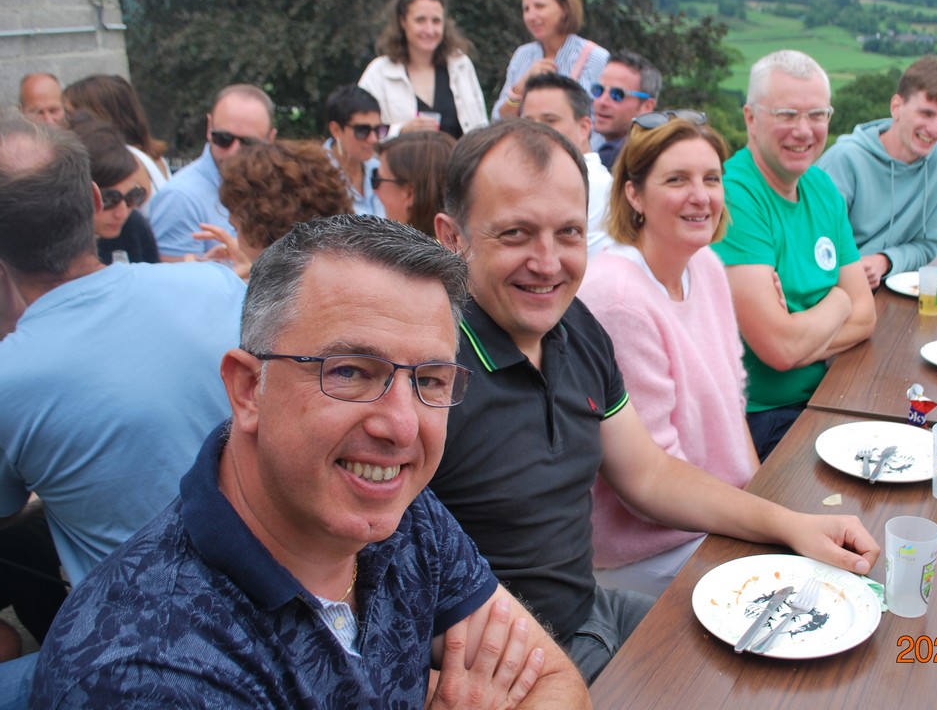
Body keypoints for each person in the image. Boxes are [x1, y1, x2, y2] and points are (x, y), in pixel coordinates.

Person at [31, 215, 588, 707]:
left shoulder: (395, 508)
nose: (401, 427)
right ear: (248, 389)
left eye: (430, 381)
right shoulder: (145, 672)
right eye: (350, 372)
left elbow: (555, 683)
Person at [431, 120, 881, 682]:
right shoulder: (427, 373)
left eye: (568, 233)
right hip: (514, 665)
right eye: (516, 234)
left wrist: (793, 525)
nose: (547, 263)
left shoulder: (576, 326)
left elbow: (648, 473)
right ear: (452, 238)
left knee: (793, 658)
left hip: (589, 612)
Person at [0, 115, 244, 703]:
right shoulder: (215, 287)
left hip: (140, 658)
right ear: (92, 201)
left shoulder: (10, 376)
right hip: (275, 615)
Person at [577, 111, 759, 598]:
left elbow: (734, 400)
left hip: (720, 512)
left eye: (711, 179)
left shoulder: (707, 265)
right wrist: (766, 521)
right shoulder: (618, 299)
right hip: (652, 549)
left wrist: (762, 496)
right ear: (634, 194)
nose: (701, 196)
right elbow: (655, 481)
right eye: (677, 179)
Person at [712, 51, 876, 460]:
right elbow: (780, 349)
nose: (803, 131)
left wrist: (799, 335)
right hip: (759, 420)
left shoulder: (821, 188)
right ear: (750, 118)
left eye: (817, 115)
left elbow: (866, 316)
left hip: (828, 395)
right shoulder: (734, 195)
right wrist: (840, 300)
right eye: (786, 114)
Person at [816, 55, 937, 289]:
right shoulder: (844, 159)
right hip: (832, 289)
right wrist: (853, 271)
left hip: (893, 287)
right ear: (896, 107)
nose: (934, 129)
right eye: (926, 114)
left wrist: (885, 261)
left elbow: (928, 245)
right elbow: (813, 243)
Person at [150, 83, 277, 260]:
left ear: (270, 139)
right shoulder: (179, 198)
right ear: (209, 128)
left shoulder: (278, 188)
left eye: (249, 143)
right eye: (224, 139)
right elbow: (175, 275)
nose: (234, 152)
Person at [196, 139, 355, 280]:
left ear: (260, 228)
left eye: (236, 228)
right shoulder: (345, 272)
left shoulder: (285, 299)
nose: (237, 241)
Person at [358, 0, 487, 138]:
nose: (429, 30)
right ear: (403, 21)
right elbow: (360, 131)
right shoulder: (379, 73)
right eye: (420, 20)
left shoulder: (461, 65)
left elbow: (482, 127)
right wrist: (401, 131)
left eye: (436, 21)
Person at [493, 0, 608, 120]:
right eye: (526, 9)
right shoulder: (523, 55)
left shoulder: (595, 58)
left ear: (565, 9)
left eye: (539, 6)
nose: (531, 16)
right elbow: (498, 120)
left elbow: (602, 123)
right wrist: (519, 89)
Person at [520, 72, 613, 254]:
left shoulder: (593, 183)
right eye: (528, 122)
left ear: (584, 128)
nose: (535, 131)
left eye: (550, 121)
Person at [68, 113, 159, 264]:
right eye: (108, 200)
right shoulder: (49, 242)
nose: (122, 213)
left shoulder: (134, 227)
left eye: (133, 196)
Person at [62, 74, 172, 194]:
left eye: (70, 115)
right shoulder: (150, 156)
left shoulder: (126, 162)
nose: (63, 122)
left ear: (99, 117)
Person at [373, 129, 455, 235]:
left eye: (377, 180)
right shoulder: (461, 241)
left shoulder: (401, 245)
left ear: (409, 193)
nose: (374, 190)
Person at [323, 85, 387, 216]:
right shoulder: (316, 176)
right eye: (362, 130)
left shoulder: (382, 171)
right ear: (336, 130)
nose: (373, 139)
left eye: (378, 129)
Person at [592, 51, 659, 169]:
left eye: (617, 94)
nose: (602, 102)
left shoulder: (618, 158)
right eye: (599, 90)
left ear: (647, 106)